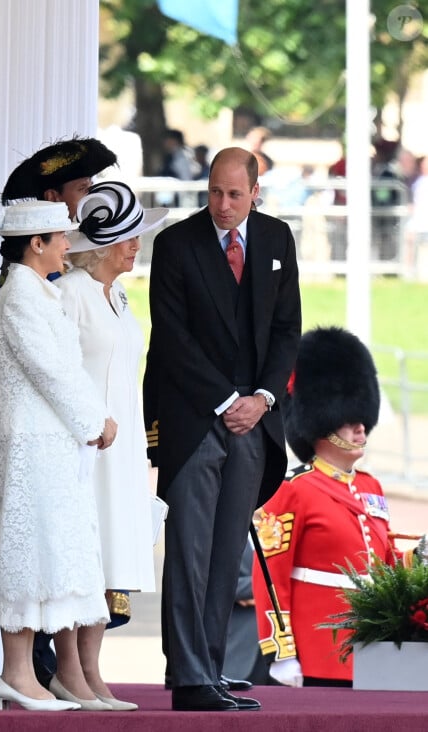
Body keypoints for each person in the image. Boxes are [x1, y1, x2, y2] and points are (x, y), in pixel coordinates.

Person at [144, 146, 301, 711]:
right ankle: (187, 676)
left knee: (228, 548)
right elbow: (171, 339)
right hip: (193, 421)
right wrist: (227, 399)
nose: (224, 205)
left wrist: (260, 399)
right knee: (188, 550)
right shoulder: (175, 244)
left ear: (256, 192)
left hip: (253, 424)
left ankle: (210, 667)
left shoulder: (277, 239)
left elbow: (287, 330)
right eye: (215, 192)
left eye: (235, 194)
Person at [0, 200, 117, 712]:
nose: (68, 244)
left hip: (54, 445)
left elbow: (67, 368)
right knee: (26, 550)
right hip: (30, 445)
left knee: (49, 551)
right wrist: (94, 420)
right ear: (35, 243)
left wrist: (93, 419)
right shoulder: (19, 294)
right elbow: (50, 371)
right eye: (60, 236)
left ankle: (29, 677)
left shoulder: (40, 292)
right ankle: (15, 675)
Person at [252, 326, 420, 688]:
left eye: (362, 420)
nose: (361, 429)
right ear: (320, 423)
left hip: (372, 649)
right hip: (317, 652)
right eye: (348, 421)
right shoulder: (291, 491)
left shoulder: (370, 487)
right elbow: (270, 577)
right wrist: (281, 652)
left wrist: (418, 557)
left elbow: (384, 565)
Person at [55, 181, 168, 710]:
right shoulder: (71, 292)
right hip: (83, 447)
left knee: (109, 559)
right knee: (80, 557)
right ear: (101, 246)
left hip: (121, 449)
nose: (136, 245)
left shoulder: (118, 294)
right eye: (128, 238)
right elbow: (58, 371)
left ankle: (94, 673)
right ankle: (68, 671)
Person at [222, 537, 270, 685]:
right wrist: (274, 583)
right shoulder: (224, 533)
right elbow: (218, 584)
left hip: (281, 647)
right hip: (239, 648)